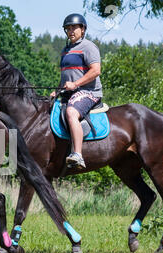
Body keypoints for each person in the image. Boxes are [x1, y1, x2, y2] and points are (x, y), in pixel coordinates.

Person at [50, 13, 102, 169]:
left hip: (89, 92)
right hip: (70, 93)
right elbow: (66, 76)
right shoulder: (66, 50)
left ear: (83, 29)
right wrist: (57, 91)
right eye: (68, 28)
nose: (71, 31)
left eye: (74, 28)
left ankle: (78, 155)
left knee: (71, 112)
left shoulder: (88, 47)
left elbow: (96, 71)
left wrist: (76, 84)